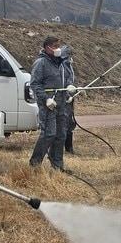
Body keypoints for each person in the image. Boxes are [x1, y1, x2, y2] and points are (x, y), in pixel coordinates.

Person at [29, 36, 71, 171]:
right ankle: (34, 164)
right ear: (47, 48)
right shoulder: (41, 63)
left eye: (59, 45)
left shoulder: (61, 63)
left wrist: (70, 89)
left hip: (62, 104)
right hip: (48, 105)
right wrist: (46, 99)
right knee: (49, 134)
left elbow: (67, 78)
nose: (58, 49)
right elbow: (35, 84)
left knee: (61, 136)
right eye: (55, 46)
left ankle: (57, 166)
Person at [59, 43, 77, 155]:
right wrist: (66, 95)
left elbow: (70, 81)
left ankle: (69, 148)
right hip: (62, 100)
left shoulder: (69, 65)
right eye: (70, 54)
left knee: (70, 123)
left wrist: (76, 90)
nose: (71, 57)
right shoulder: (61, 66)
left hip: (69, 99)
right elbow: (61, 83)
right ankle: (58, 149)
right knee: (62, 124)